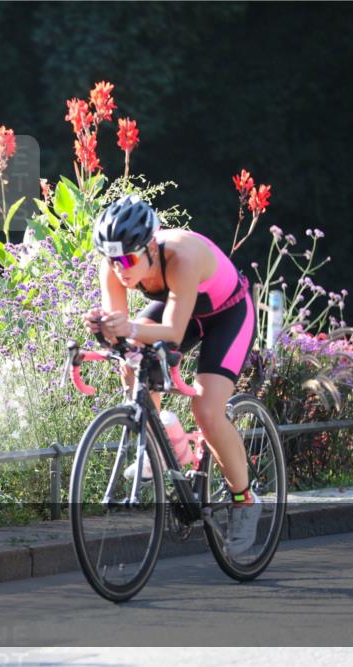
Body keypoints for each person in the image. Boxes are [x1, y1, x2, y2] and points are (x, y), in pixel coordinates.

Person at [83, 194, 261, 555]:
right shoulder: (115, 266)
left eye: (130, 259)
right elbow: (124, 335)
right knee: (131, 361)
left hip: (226, 315)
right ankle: (159, 442)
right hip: (179, 311)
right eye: (113, 260)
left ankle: (245, 500)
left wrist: (127, 327)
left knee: (207, 411)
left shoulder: (181, 255)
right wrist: (103, 328)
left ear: (151, 246)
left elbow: (173, 334)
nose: (121, 269)